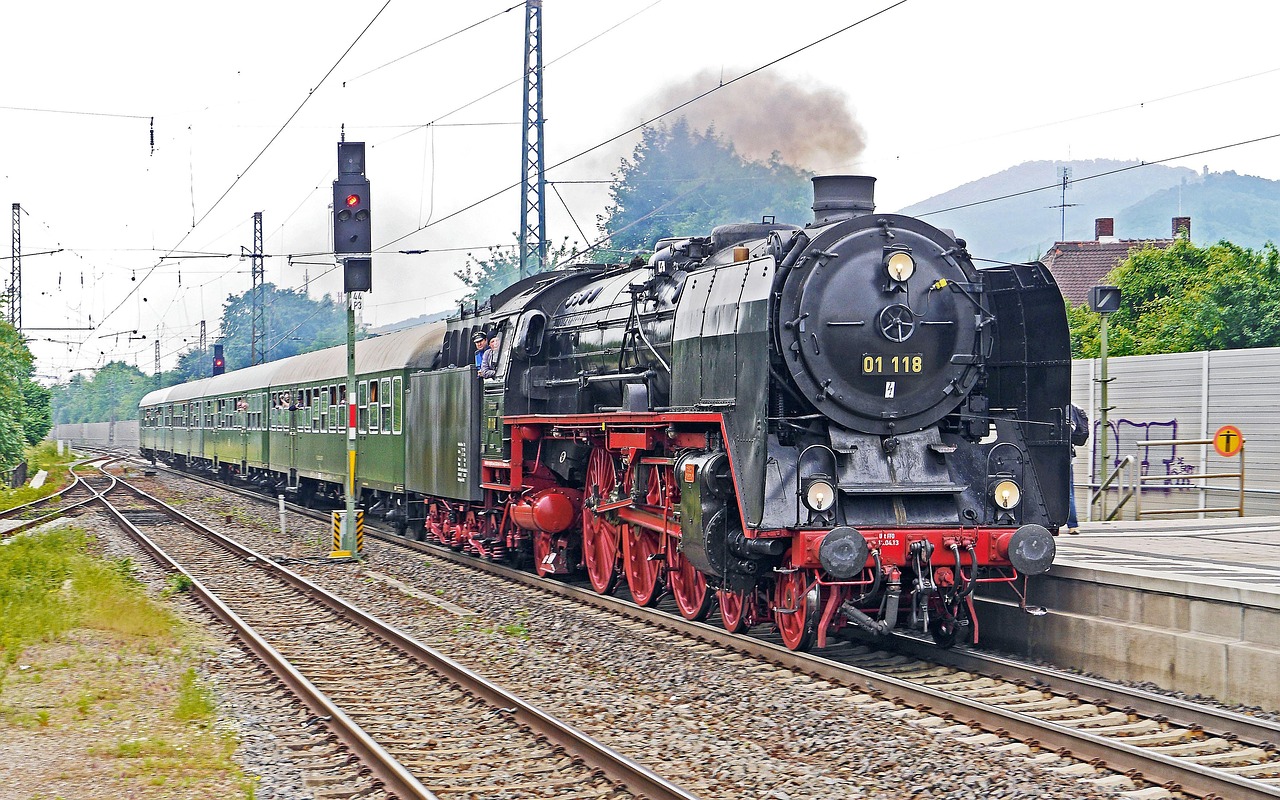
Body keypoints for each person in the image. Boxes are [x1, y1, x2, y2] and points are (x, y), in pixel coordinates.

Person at [1066, 403, 1090, 535]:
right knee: (1069, 492)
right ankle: (1073, 525)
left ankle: (1073, 524)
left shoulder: (1064, 406)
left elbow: (1069, 428)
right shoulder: (1072, 406)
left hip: (1060, 454)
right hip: (1068, 454)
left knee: (1067, 492)